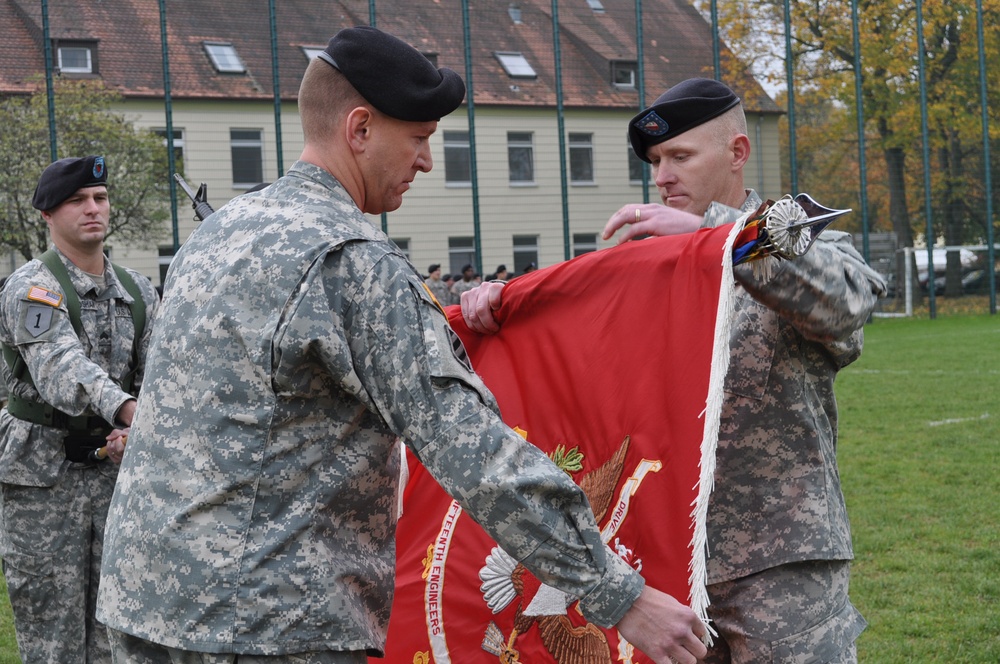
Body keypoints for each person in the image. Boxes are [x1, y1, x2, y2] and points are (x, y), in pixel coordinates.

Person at [96, 27, 707, 664]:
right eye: (418, 138)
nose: (426, 162)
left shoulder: (216, 235)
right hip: (264, 624)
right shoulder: (350, 260)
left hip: (147, 604)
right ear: (359, 130)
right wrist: (621, 595)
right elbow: (472, 449)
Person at [462, 78, 887, 663]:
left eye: (680, 156)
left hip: (780, 558)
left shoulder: (790, 241)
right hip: (663, 563)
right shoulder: (645, 261)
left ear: (737, 153)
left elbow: (850, 302)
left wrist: (724, 241)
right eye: (656, 160)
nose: (662, 175)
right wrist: (506, 306)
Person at [0, 155, 159, 664]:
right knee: (54, 637)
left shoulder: (138, 291)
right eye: (76, 201)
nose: (93, 208)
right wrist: (130, 411)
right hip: (42, 482)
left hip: (115, 475)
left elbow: (159, 374)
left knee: (120, 630)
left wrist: (136, 429)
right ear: (47, 215)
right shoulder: (31, 287)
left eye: (100, 197)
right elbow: (60, 368)